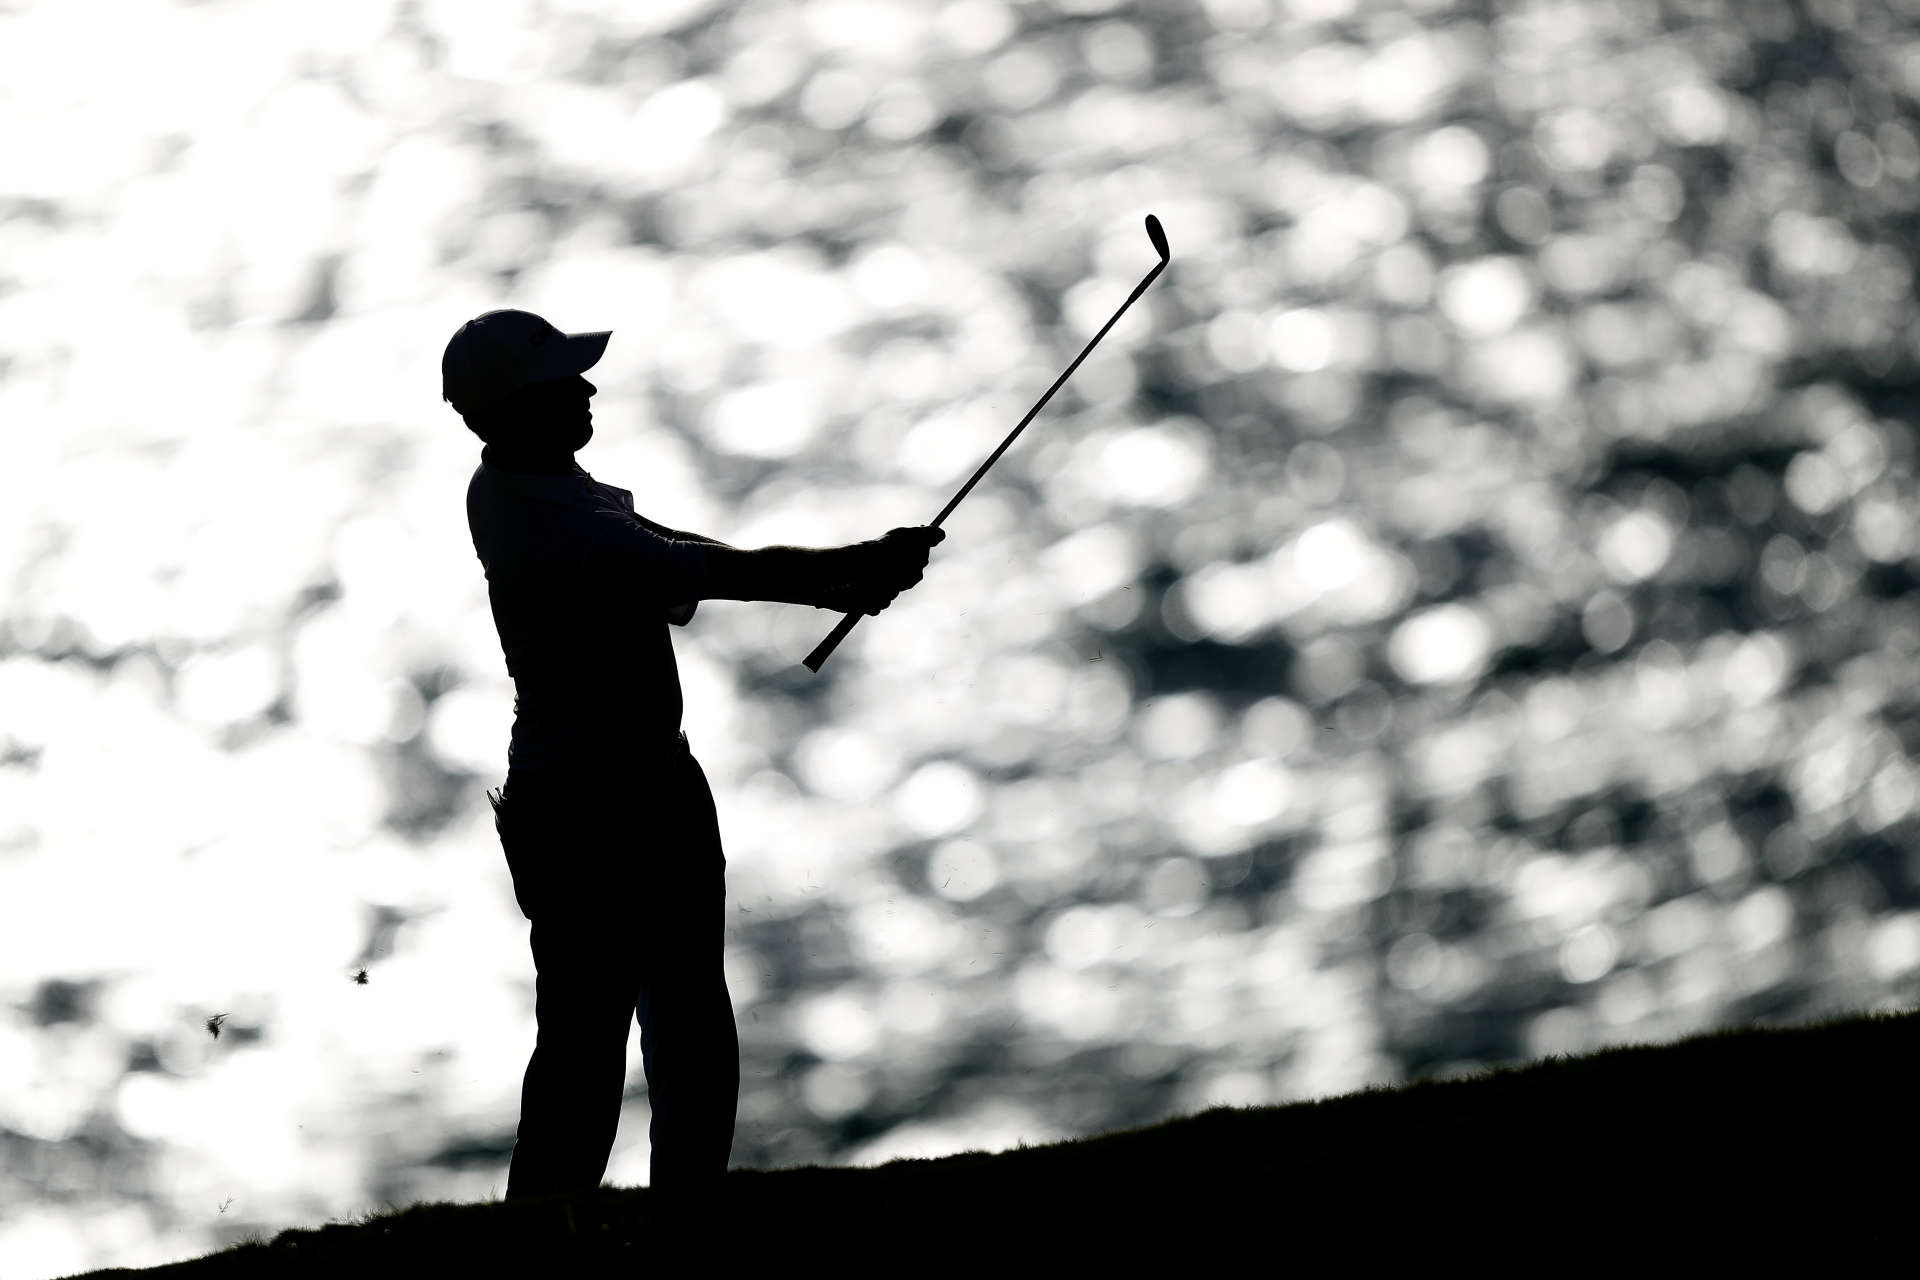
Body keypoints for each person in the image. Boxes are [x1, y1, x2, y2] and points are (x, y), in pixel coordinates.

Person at [443, 308, 942, 1205]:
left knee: (669, 1036)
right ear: (513, 410)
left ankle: (669, 1235)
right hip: (596, 813)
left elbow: (682, 552)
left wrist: (846, 576)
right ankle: (548, 1258)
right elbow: (723, 574)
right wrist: (856, 563)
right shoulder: (555, 525)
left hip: (637, 791)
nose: (588, 388)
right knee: (601, 1056)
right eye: (565, 382)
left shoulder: (535, 484)